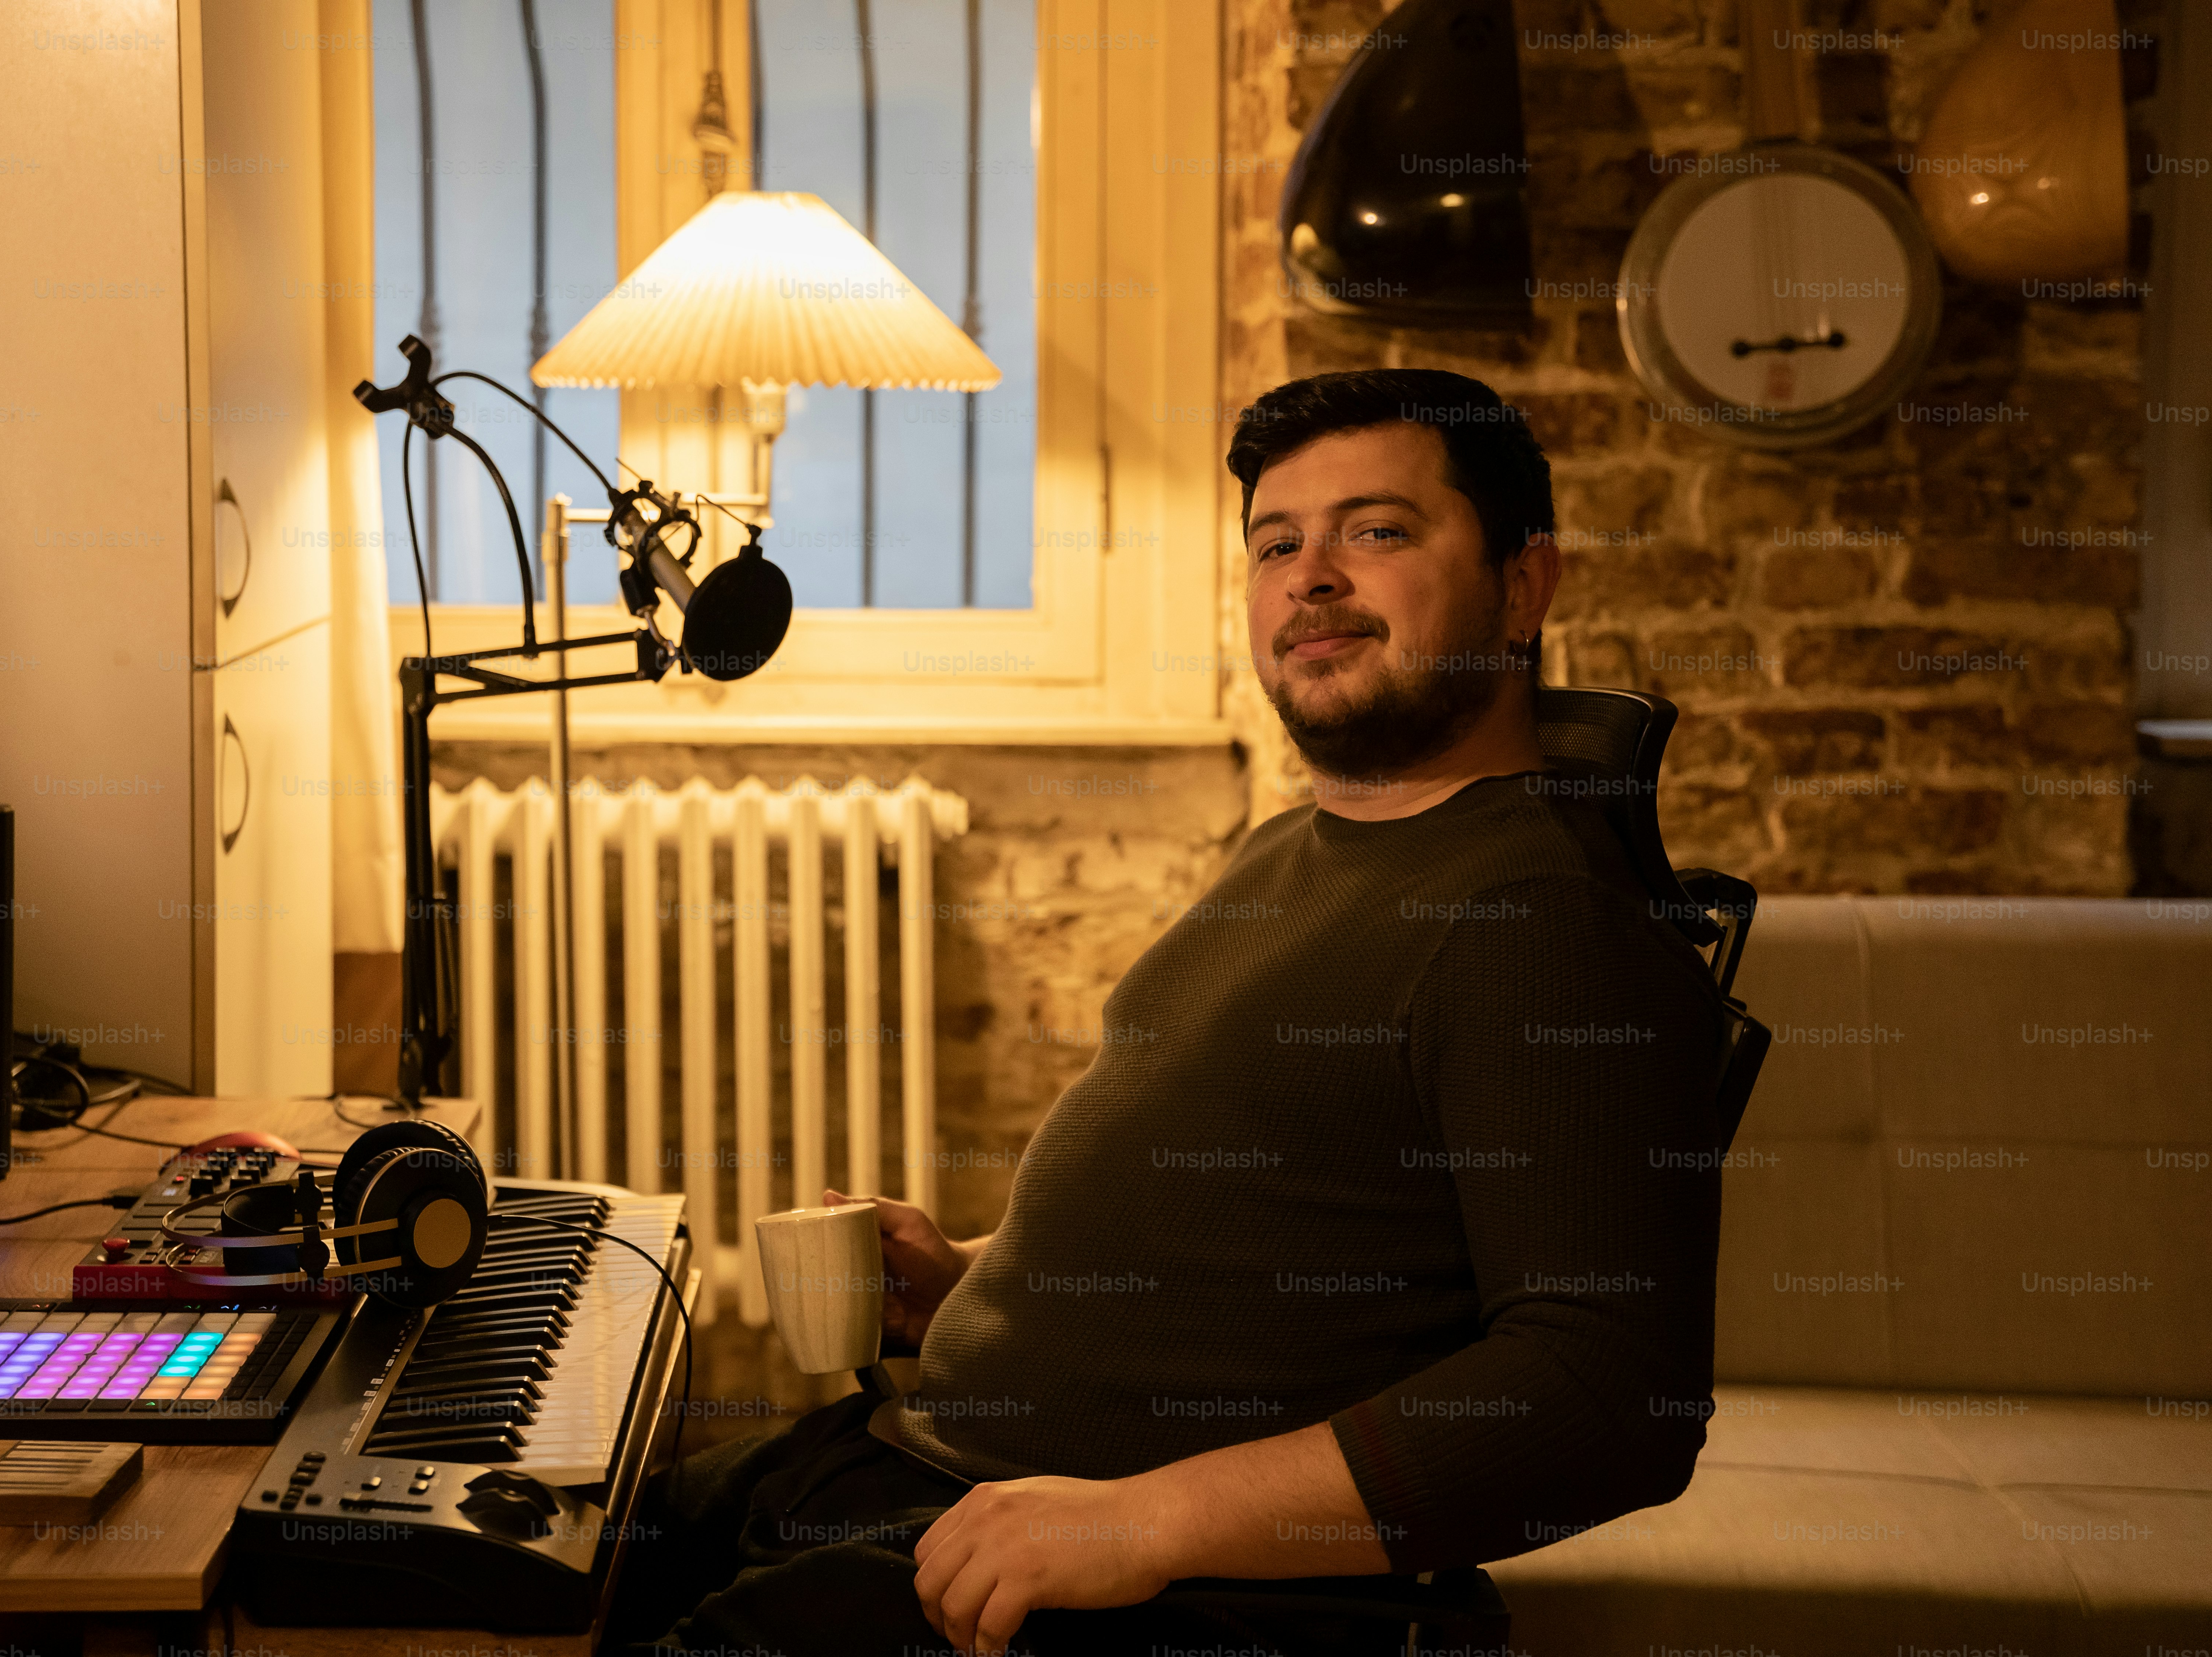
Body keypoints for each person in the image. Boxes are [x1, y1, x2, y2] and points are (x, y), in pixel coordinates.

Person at [602, 368, 1726, 1657]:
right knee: (471, 1551)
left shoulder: (1540, 920)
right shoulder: (1290, 848)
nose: (1310, 577)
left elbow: (1607, 1393)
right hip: (904, 1465)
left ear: (1527, 587)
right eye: (1276, 543)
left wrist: (1139, 1525)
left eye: (1378, 531)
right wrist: (975, 1283)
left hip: (1075, 1571)